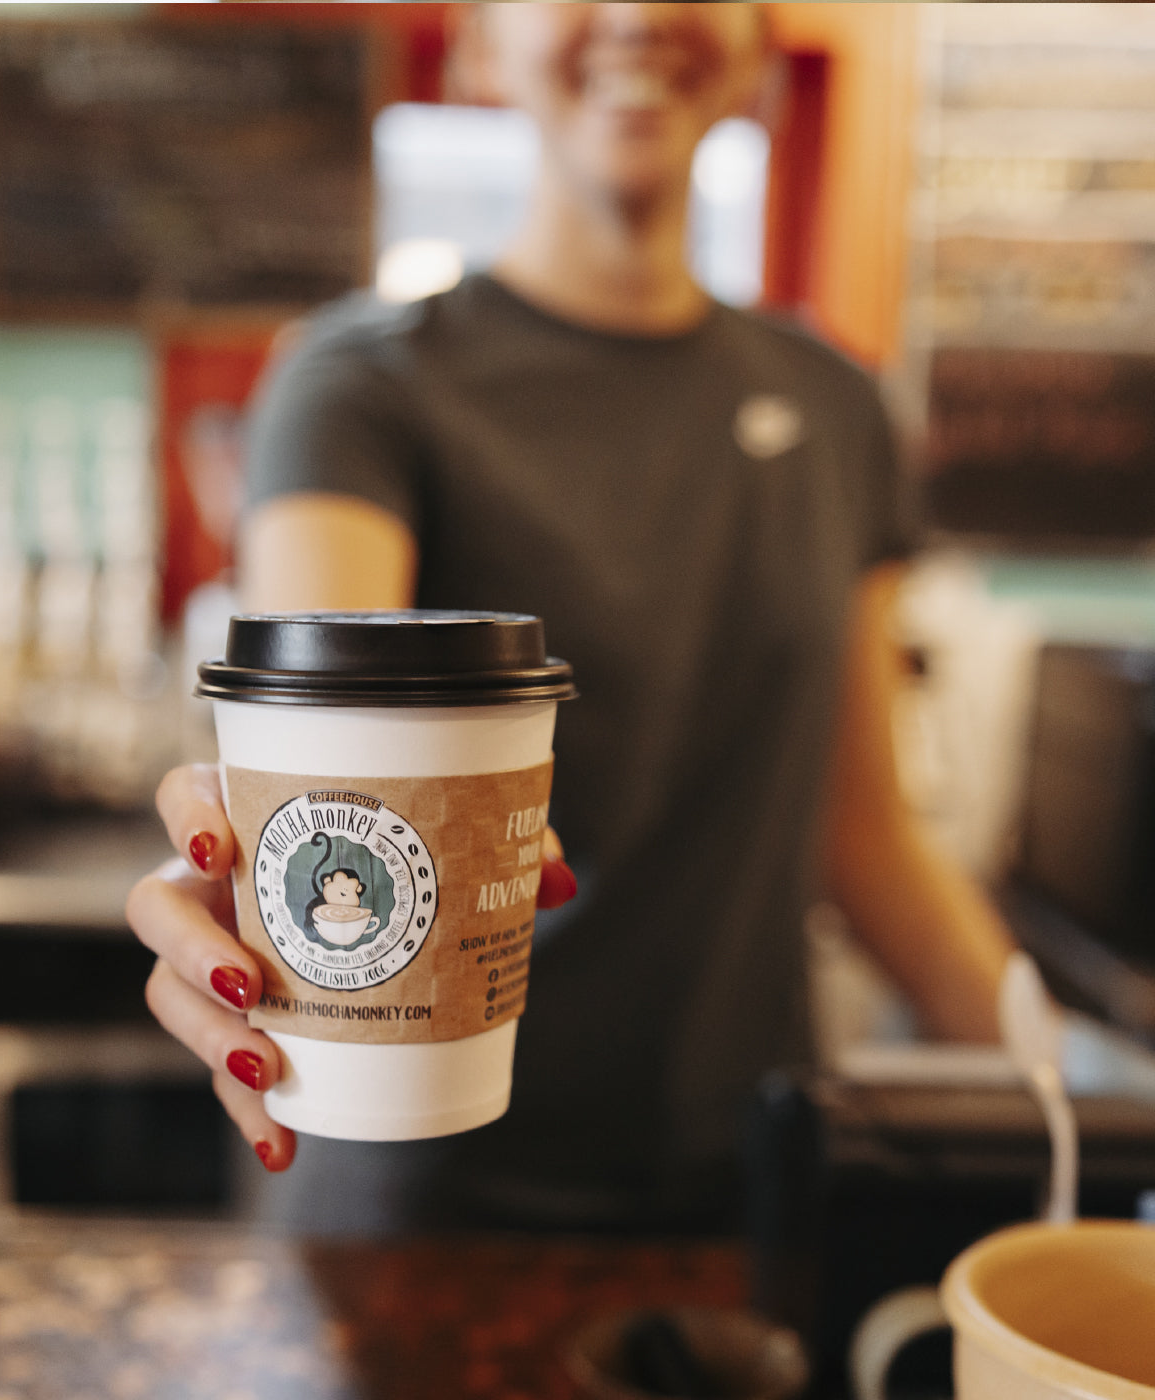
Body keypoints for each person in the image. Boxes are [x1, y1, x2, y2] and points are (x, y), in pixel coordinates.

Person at [126, 3, 1016, 1234]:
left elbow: (861, 832)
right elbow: (313, 744)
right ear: (480, 46)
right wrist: (232, 858)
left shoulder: (835, 405)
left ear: (757, 44)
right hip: (425, 1192)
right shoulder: (365, 384)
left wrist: (1070, 1077)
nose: (641, 13)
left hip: (739, 1178)